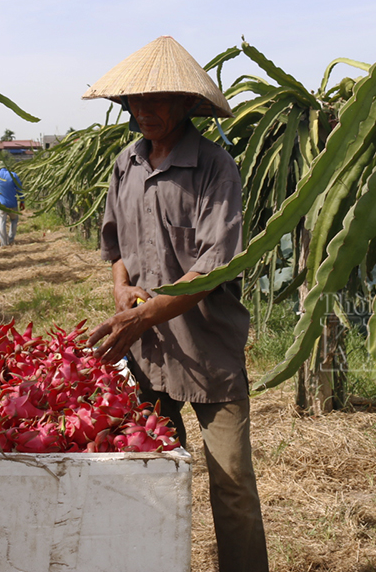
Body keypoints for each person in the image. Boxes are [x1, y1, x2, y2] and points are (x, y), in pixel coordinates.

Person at [83, 35, 268, 572]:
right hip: (147, 356)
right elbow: (115, 246)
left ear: (188, 104)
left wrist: (142, 313)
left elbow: (213, 268)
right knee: (152, 478)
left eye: (158, 100)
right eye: (136, 101)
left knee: (231, 486)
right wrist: (122, 290)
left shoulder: (215, 168)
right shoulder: (126, 164)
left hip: (210, 353)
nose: (145, 112)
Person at [0, 160, 24, 247]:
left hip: (1, 204)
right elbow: (20, 189)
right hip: (13, 203)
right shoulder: (13, 175)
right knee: (14, 220)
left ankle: (4, 243)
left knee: (2, 222)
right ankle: (11, 240)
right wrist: (22, 201)